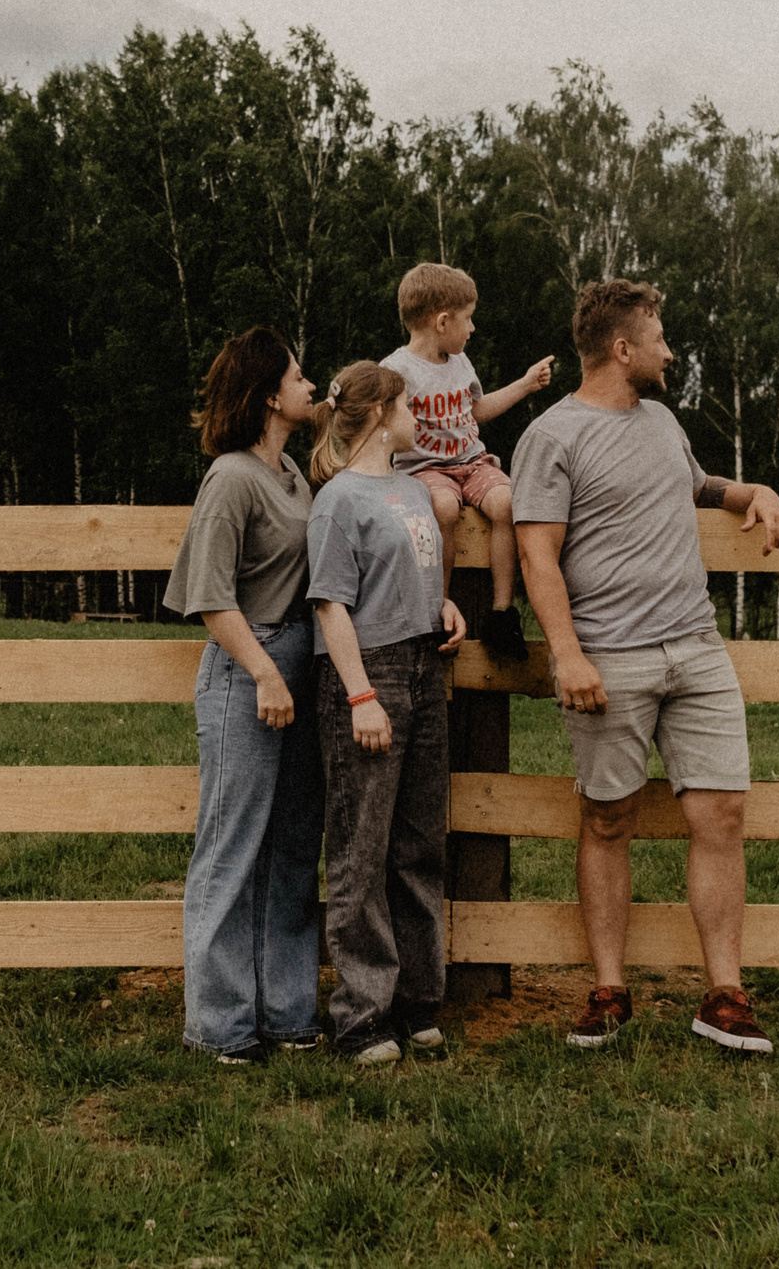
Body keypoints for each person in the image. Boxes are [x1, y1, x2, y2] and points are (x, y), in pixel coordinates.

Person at [510, 279, 779, 1056]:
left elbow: (691, 484)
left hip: (696, 648)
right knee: (607, 818)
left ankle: (725, 995)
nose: (671, 350)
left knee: (721, 814)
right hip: (609, 658)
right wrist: (566, 652)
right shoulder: (551, 437)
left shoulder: (663, 420)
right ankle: (609, 989)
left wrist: (751, 490)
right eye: (660, 337)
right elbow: (538, 553)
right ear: (623, 348)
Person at [164, 327, 328, 1065]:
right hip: (248, 668)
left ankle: (288, 1009)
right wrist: (264, 671)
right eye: (298, 376)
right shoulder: (232, 477)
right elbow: (209, 596)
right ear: (269, 394)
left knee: (294, 843)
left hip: (300, 661)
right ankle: (221, 1023)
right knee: (233, 844)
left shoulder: (292, 471)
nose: (309, 384)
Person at [305, 360, 469, 1064]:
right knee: (360, 846)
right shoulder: (339, 500)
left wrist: (443, 603)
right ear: (378, 413)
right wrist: (361, 694)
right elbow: (330, 602)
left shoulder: (408, 488)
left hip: (425, 668)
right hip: (370, 674)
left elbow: (409, 570)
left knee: (419, 842)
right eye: (408, 406)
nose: (419, 418)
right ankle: (362, 1015)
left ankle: (417, 1001)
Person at [378, 262, 553, 662]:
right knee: (442, 508)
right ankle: (436, 605)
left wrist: (525, 384)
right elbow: (377, 421)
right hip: (424, 468)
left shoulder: (459, 363)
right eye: (468, 319)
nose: (472, 329)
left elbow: (476, 410)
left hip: (472, 462)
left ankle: (501, 612)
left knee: (509, 503)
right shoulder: (396, 370)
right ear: (442, 321)